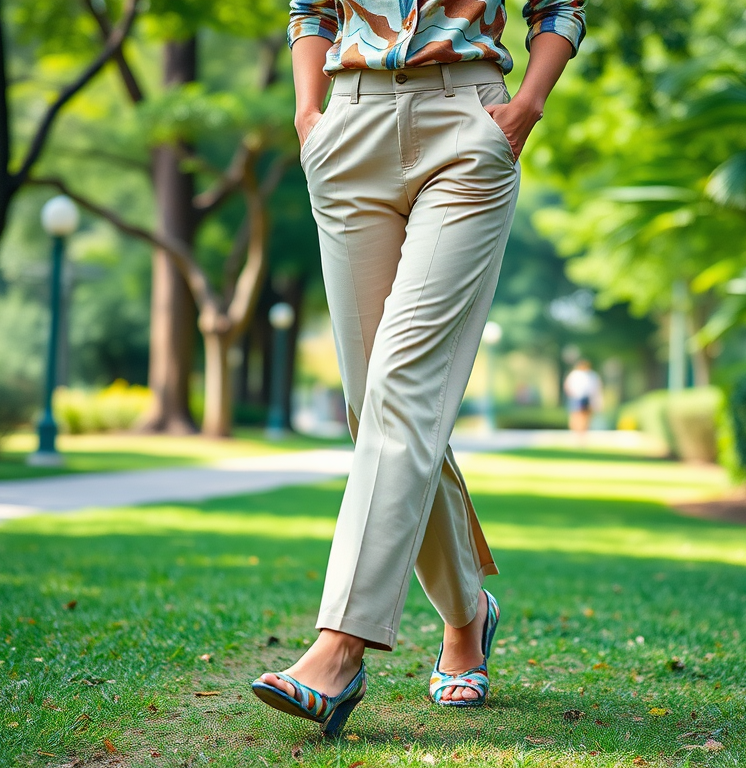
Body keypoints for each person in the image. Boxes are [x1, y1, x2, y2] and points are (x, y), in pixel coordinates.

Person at [251, 0, 587, 736]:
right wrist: (310, 115)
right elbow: (309, 9)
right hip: (348, 121)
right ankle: (467, 618)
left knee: (402, 387)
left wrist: (528, 103)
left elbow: (559, 7)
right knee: (370, 404)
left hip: (465, 120)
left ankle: (338, 650)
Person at [564, 359, 602, 434]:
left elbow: (596, 387)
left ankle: (583, 430)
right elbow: (567, 386)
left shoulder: (592, 375)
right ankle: (577, 430)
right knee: (576, 414)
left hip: (587, 397)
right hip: (576, 397)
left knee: (586, 415)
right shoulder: (574, 374)